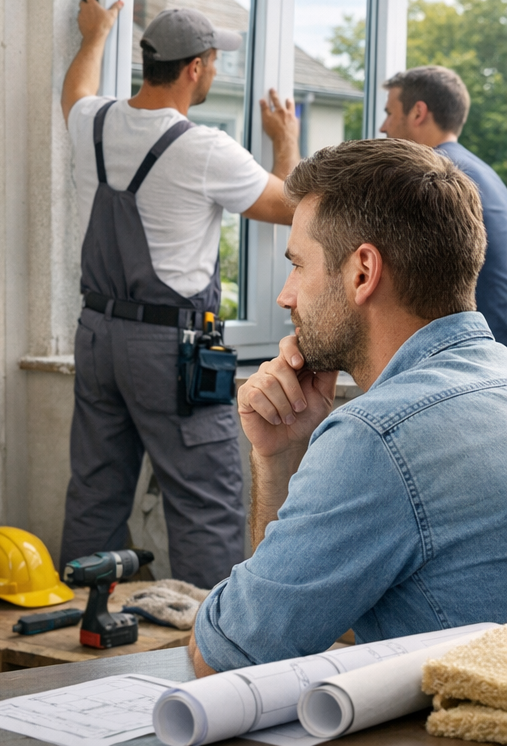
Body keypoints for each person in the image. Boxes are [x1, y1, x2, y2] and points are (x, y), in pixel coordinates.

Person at [190, 139, 507, 675]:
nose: (285, 296)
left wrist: (276, 461)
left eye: (297, 266)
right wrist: (283, 454)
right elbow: (315, 613)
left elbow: (232, 656)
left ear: (362, 272)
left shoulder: (379, 439)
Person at [58, 0, 300, 588]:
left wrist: (94, 35)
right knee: (206, 500)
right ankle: (210, 650)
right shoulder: (203, 148)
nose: (215, 71)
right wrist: (286, 141)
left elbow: (75, 91)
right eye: (215, 62)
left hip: (97, 336)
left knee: (96, 489)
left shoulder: (94, 122)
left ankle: (87, 636)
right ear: (196, 68)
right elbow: (294, 205)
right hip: (170, 351)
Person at [380, 65, 507, 345]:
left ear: (418, 112)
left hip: (475, 356)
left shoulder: (431, 180)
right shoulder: (485, 174)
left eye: (389, 113)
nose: (383, 127)